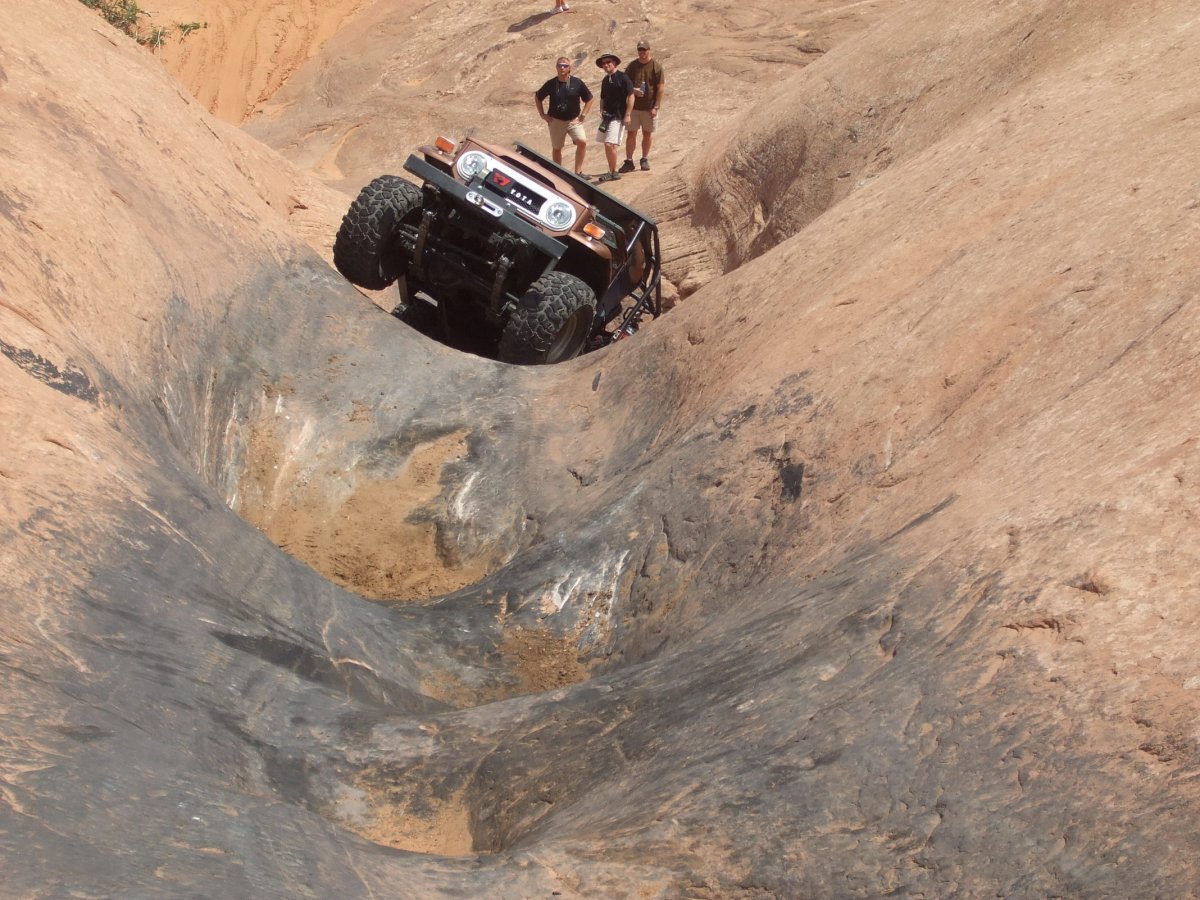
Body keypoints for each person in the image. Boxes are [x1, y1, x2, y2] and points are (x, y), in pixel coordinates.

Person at [535, 58, 593, 178]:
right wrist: (542, 114)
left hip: (573, 120)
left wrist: (583, 115)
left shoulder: (577, 83)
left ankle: (578, 173)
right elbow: (538, 96)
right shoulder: (551, 84)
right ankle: (557, 174)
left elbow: (589, 98)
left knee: (582, 142)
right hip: (555, 120)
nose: (562, 68)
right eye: (559, 65)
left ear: (569, 68)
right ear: (556, 67)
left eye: (565, 66)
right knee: (557, 148)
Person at [621, 40, 665, 172]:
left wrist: (656, 106)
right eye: (640, 50)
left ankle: (644, 159)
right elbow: (625, 84)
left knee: (647, 134)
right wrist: (633, 90)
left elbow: (661, 88)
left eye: (644, 50)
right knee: (631, 134)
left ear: (649, 50)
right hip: (633, 107)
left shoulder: (656, 67)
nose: (642, 53)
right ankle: (629, 161)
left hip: (649, 107)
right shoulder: (632, 66)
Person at [593, 52, 634, 183]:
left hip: (618, 116)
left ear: (615, 63)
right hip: (607, 117)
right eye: (604, 63)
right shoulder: (606, 80)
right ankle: (612, 170)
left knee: (609, 144)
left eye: (608, 62)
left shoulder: (623, 77)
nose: (606, 65)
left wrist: (627, 114)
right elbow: (602, 97)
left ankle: (613, 172)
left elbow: (631, 95)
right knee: (609, 145)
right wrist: (601, 110)